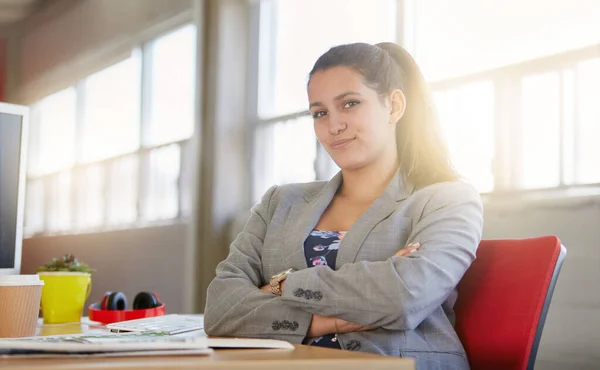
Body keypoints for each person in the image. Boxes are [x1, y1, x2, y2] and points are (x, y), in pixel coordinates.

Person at [204, 42, 483, 370]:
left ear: (393, 106)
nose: (333, 125)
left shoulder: (447, 199)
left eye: (350, 104)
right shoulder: (279, 202)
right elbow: (221, 309)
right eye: (320, 112)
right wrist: (326, 321)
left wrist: (281, 286)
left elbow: (403, 296)